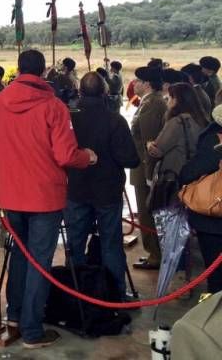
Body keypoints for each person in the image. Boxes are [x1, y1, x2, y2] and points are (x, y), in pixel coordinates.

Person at [0, 49, 96, 349]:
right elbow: (64, 154)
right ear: (44, 72)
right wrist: (86, 157)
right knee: (39, 261)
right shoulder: (54, 106)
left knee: (20, 253)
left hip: (11, 192)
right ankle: (32, 330)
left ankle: (15, 315)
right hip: (44, 195)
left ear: (19, 70)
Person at [65, 72, 139, 299]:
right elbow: (130, 159)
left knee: (75, 244)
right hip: (106, 192)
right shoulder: (115, 120)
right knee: (110, 244)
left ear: (80, 92)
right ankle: (115, 294)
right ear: (106, 92)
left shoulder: (68, 119)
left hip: (76, 189)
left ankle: (74, 292)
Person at [179, 105, 222, 294]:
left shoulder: (214, 139)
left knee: (216, 278)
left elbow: (191, 172)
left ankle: (212, 317)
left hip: (213, 220)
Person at [146, 82, 207, 211]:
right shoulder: (202, 119)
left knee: (174, 220)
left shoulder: (176, 122)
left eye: (169, 98)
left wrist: (149, 145)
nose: (167, 102)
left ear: (177, 100)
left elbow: (158, 150)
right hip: (197, 176)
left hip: (175, 177)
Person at [130, 65, 167, 270]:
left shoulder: (152, 104)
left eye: (137, 81)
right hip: (143, 167)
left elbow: (149, 143)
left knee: (146, 212)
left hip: (145, 168)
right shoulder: (148, 102)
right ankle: (153, 252)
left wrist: (148, 175)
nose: (134, 84)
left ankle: (155, 254)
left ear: (147, 84)